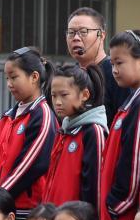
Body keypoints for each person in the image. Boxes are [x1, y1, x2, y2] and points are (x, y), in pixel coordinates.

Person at [0, 47, 57, 220]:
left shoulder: (42, 115)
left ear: (34, 77)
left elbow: (30, 164)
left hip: (26, 210)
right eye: (7, 78)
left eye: (14, 77)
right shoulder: (8, 116)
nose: (9, 84)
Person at [100, 29, 140, 220]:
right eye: (112, 63)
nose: (114, 69)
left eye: (120, 62)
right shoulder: (131, 100)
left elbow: (134, 162)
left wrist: (117, 205)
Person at [44, 63, 106, 206]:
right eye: (54, 96)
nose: (57, 102)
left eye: (64, 95)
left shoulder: (93, 131)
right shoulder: (64, 131)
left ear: (84, 95)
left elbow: (93, 185)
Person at [66, 7, 128, 122]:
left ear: (101, 35)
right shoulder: (68, 74)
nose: (75, 38)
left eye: (83, 32)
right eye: (71, 32)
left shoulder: (115, 72)